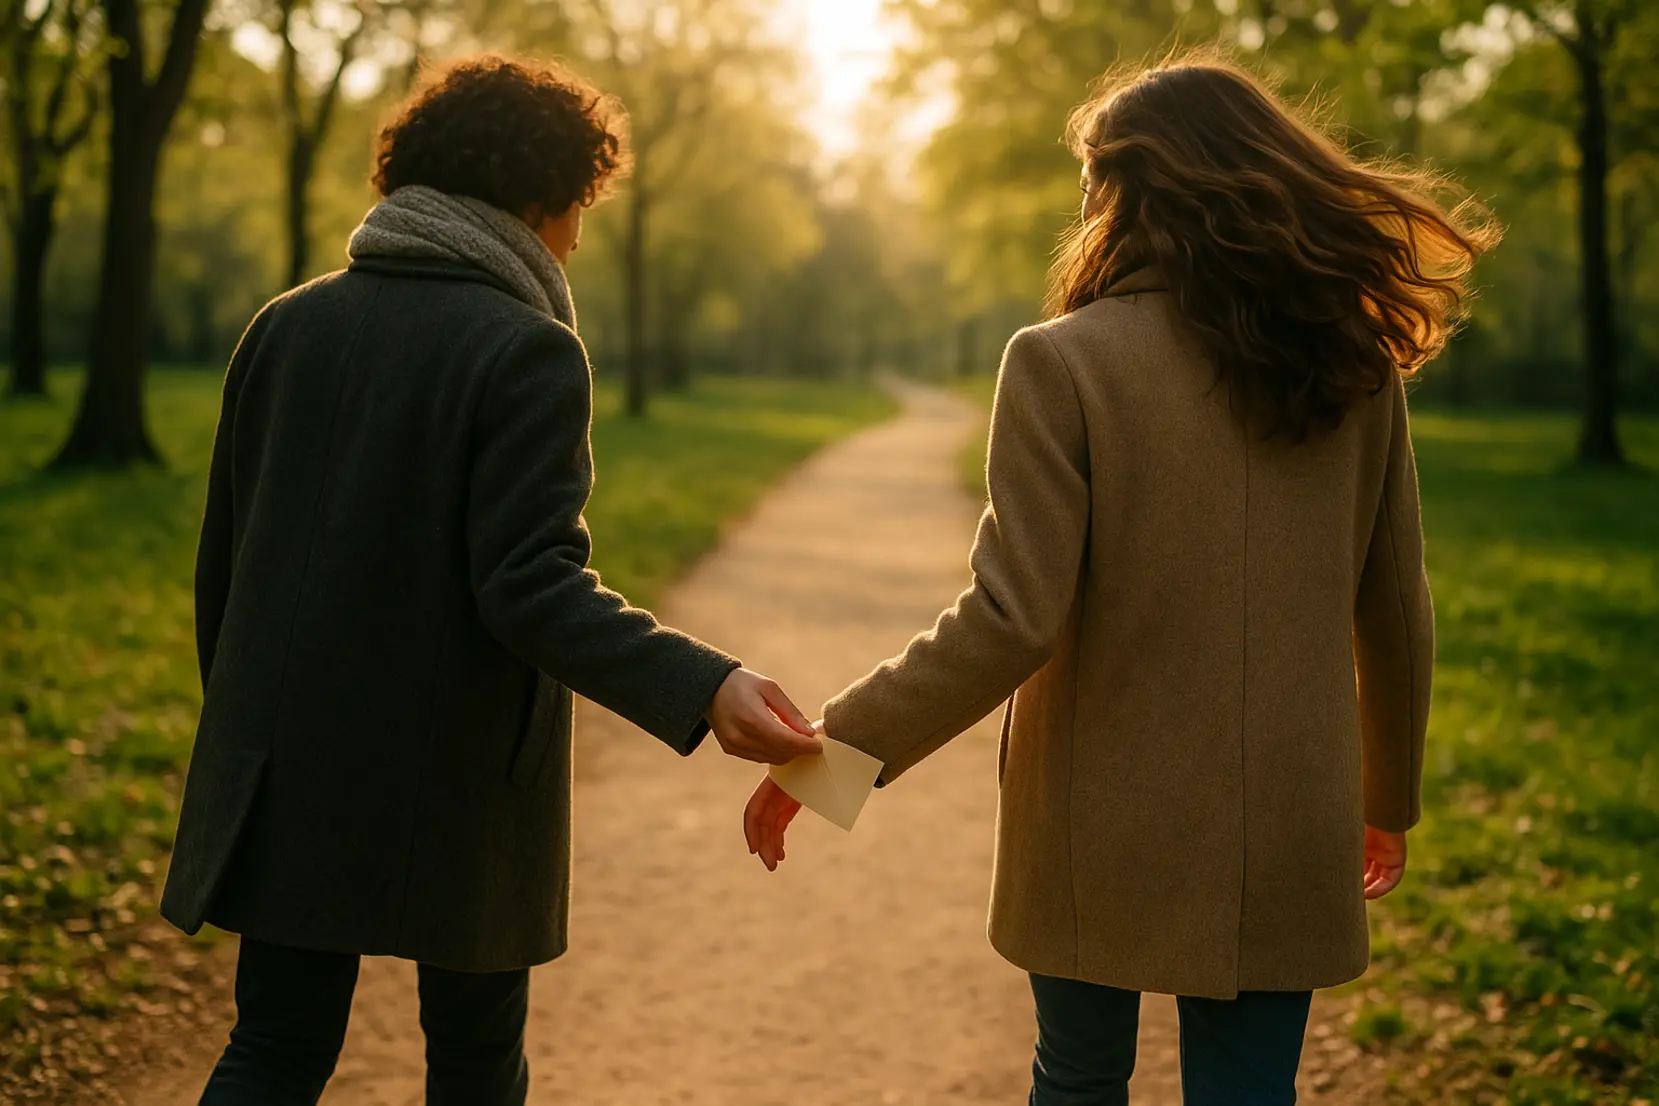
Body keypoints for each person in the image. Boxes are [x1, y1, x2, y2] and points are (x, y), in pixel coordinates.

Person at [746, 57, 1498, 1105]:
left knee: (1081, 1076)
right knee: (1248, 1092)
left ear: (1124, 192)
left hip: (1095, 813)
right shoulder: (1352, 367)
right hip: (1290, 811)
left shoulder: (1064, 361)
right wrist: (1386, 797)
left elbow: (1011, 618)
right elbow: (1397, 609)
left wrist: (830, 758)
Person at [160, 56, 820, 1106]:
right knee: (474, 1060)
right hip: (460, 779)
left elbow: (227, 567)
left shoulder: (284, 325)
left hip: (288, 758)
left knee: (275, 1045)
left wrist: (250, 725)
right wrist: (706, 684)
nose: (575, 236)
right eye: (578, 208)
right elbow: (530, 584)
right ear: (535, 198)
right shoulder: (527, 349)